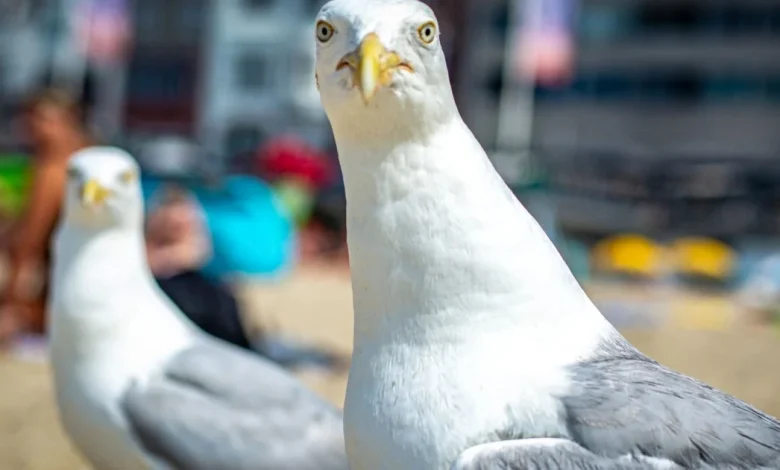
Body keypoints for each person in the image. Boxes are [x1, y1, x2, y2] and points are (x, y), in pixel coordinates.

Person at [0, 89, 92, 345]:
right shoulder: (95, 157)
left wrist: (11, 305)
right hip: (90, 285)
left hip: (58, 294)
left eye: (39, 122)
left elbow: (28, 244)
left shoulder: (53, 168)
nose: (33, 131)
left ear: (66, 122)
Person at [145, 184, 255, 351]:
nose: (180, 231)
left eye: (185, 225)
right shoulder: (143, 259)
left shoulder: (213, 281)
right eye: (174, 227)